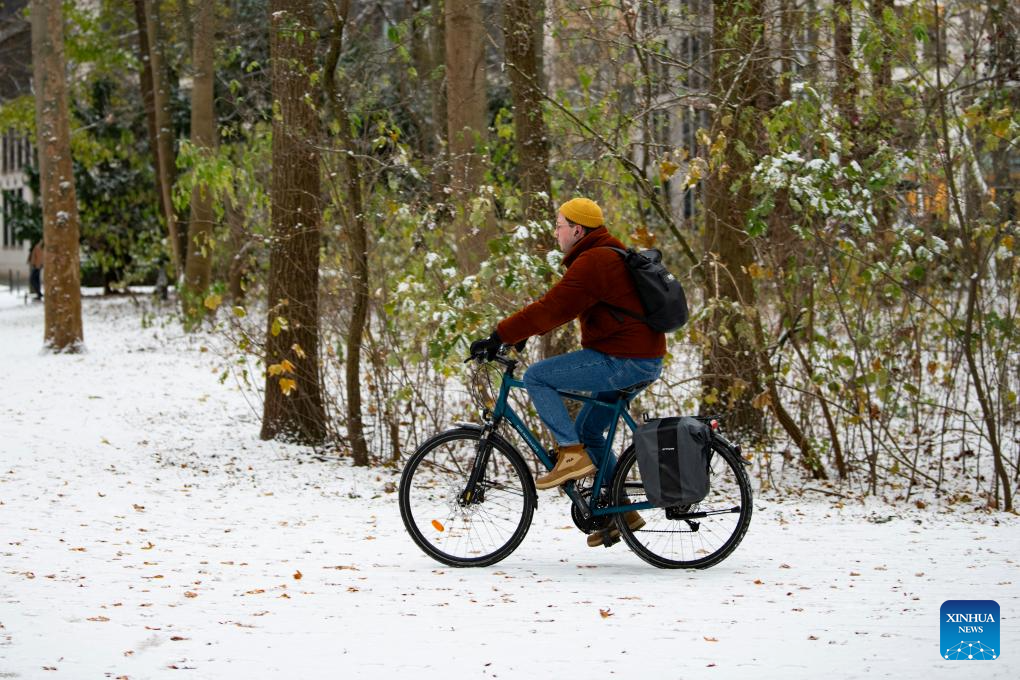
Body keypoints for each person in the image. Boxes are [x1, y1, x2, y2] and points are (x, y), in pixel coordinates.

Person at [470, 197, 666, 547]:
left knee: (537, 377)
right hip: (638, 357)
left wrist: (499, 335)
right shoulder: (604, 254)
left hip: (625, 360)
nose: (556, 232)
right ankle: (620, 510)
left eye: (559, 225)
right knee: (588, 430)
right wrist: (525, 333)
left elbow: (552, 307)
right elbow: (562, 307)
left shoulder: (595, 261)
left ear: (577, 229)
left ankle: (570, 456)